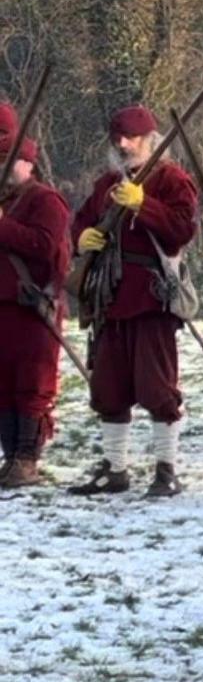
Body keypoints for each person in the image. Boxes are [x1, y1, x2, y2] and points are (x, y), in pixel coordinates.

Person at [68, 105, 199, 499]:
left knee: (159, 390)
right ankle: (115, 469)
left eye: (131, 138)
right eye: (118, 138)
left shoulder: (173, 181)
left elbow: (181, 232)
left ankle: (166, 469)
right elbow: (83, 220)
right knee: (109, 389)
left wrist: (145, 204)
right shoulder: (107, 183)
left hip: (152, 297)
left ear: (150, 140)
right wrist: (83, 237)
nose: (123, 145)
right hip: (111, 297)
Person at [0, 114, 71, 489]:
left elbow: (45, 246)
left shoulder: (46, 200)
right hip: (3, 306)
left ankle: (27, 458)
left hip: (32, 305)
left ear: (29, 163)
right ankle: (11, 455)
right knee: (4, 384)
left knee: (32, 383)